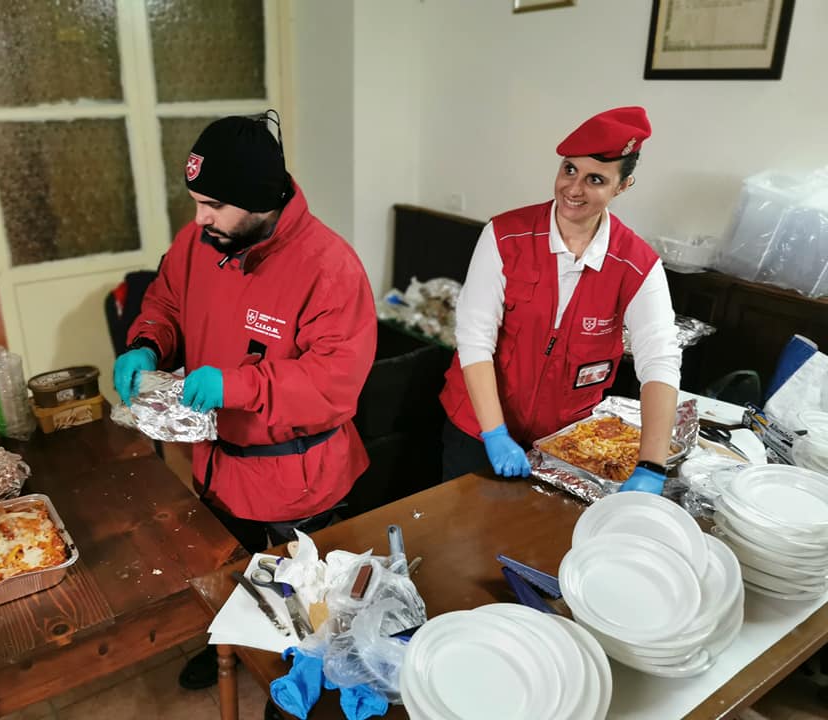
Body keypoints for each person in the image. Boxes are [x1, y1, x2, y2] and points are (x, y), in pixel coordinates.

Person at [112, 111, 377, 697]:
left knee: (302, 603)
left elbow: (336, 383)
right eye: (196, 201)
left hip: (296, 478)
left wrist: (240, 386)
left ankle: (298, 683)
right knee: (227, 570)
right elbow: (166, 302)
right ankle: (227, 645)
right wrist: (145, 342)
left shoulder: (329, 267)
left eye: (213, 205)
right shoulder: (198, 242)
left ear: (261, 200)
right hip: (217, 462)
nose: (199, 217)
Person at [439, 106, 681, 495]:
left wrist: (651, 465)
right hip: (478, 432)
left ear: (622, 186)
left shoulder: (636, 264)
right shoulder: (506, 236)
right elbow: (474, 337)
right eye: (569, 170)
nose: (574, 188)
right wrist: (496, 433)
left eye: (595, 179)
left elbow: (660, 361)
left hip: (565, 445)